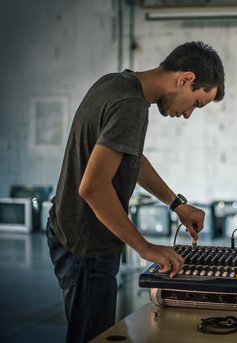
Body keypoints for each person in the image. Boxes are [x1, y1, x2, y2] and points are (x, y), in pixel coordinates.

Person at [46, 41, 225, 343]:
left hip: (67, 228)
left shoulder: (116, 83)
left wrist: (177, 205)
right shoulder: (131, 107)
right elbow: (92, 187)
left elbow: (132, 158)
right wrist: (145, 248)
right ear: (185, 79)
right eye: (196, 103)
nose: (188, 115)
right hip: (89, 244)